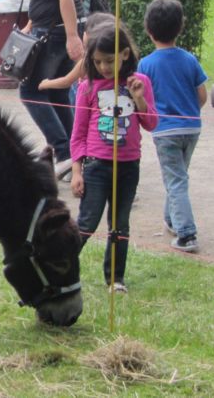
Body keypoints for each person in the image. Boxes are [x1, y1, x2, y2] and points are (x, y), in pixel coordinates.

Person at [69, 22, 157, 293]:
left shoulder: (139, 83)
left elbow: (151, 123)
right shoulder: (87, 87)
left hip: (129, 167)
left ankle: (115, 279)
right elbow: (78, 133)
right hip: (96, 167)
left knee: (119, 225)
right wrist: (77, 171)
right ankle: (60, 266)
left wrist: (139, 99)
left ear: (125, 54)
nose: (104, 67)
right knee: (86, 223)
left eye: (109, 60)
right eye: (97, 62)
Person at [18, 0, 85, 180]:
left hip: (55, 32)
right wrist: (32, 22)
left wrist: (72, 36)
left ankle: (65, 152)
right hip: (50, 27)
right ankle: (74, 155)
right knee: (56, 92)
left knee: (31, 91)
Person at [137, 0, 207, 253]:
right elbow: (202, 96)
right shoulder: (190, 59)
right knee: (178, 175)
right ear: (181, 27)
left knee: (175, 179)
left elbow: (142, 100)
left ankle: (187, 234)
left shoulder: (145, 64)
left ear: (148, 29)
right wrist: (189, 112)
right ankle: (172, 218)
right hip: (191, 128)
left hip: (165, 131)